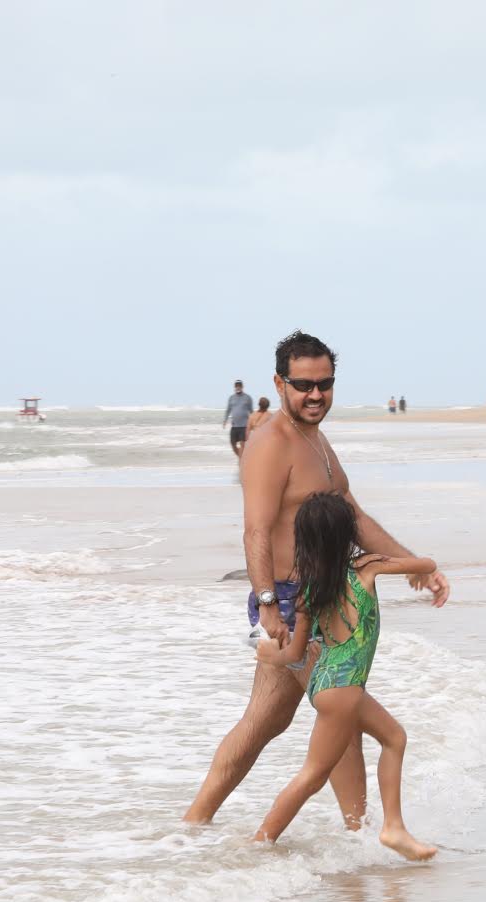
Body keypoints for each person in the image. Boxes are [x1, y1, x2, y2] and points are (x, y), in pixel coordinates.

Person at [184, 330, 450, 828]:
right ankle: (362, 836)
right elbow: (256, 529)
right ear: (279, 383)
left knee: (266, 721)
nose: (315, 395)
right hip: (289, 602)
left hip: (318, 599)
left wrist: (417, 565)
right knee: (340, 712)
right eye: (303, 385)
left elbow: (353, 516)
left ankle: (193, 824)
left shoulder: (316, 438)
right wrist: (266, 604)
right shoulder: (270, 444)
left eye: (324, 384)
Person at [253, 492, 438, 861]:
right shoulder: (365, 567)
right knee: (313, 775)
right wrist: (420, 569)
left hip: (327, 686)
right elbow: (426, 562)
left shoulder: (308, 591)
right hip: (343, 691)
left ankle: (394, 827)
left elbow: (295, 655)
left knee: (394, 738)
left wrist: (270, 651)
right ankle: (259, 842)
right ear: (348, 534)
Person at [223, 379, 254, 457]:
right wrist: (225, 420)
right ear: (235, 387)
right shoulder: (231, 398)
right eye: (236, 386)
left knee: (242, 444)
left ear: (242, 387)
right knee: (233, 444)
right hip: (234, 426)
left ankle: (242, 460)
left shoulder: (247, 398)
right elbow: (228, 410)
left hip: (244, 426)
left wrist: (253, 422)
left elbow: (251, 411)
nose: (238, 388)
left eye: (239, 386)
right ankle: (241, 457)